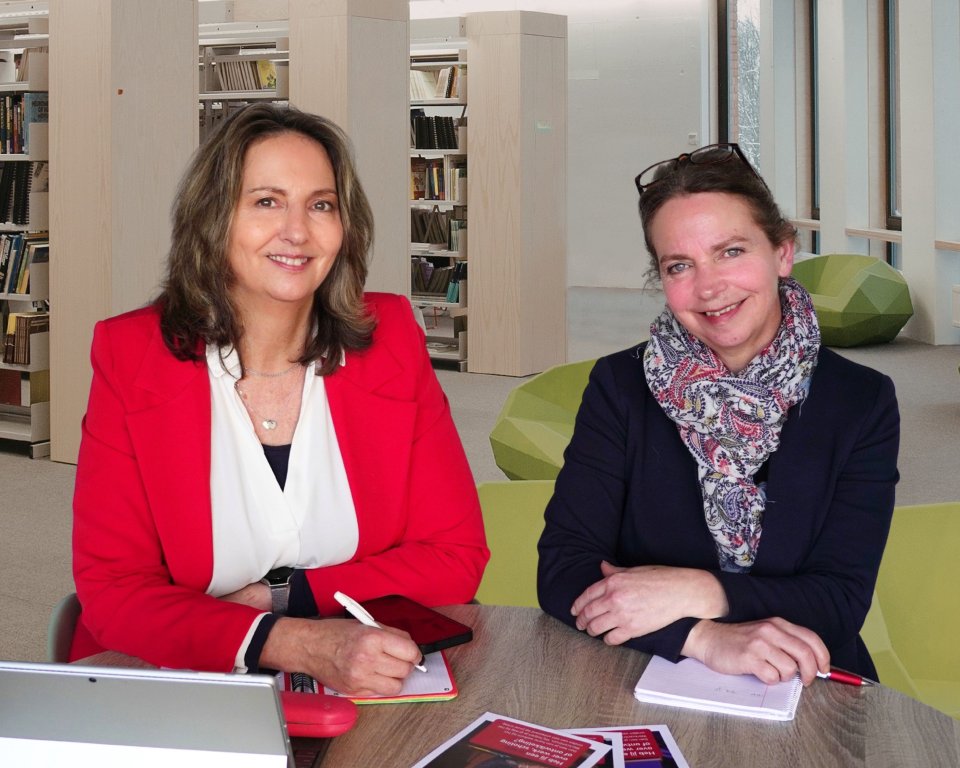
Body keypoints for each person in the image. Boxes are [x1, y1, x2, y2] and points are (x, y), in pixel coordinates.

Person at [72, 103, 489, 696]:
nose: (297, 231)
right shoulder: (132, 355)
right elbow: (115, 592)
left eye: (321, 205)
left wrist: (284, 597)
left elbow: (455, 556)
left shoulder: (391, 336)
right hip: (171, 678)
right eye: (267, 201)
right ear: (213, 218)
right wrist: (292, 641)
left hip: (364, 674)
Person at [537, 144, 899, 686]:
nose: (708, 287)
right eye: (680, 265)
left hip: (804, 679)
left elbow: (838, 601)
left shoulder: (860, 399)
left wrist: (699, 590)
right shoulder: (620, 386)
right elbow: (563, 571)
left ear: (782, 253)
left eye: (730, 251)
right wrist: (702, 637)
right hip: (647, 671)